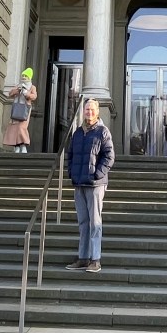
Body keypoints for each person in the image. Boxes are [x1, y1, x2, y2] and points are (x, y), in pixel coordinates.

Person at [65, 98, 114, 273]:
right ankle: (83, 257)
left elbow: (109, 156)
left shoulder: (103, 131)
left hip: (95, 184)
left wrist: (97, 175)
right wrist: (71, 172)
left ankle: (96, 259)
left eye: (92, 109)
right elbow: (70, 155)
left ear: (98, 111)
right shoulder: (78, 132)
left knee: (95, 222)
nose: (89, 112)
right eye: (87, 109)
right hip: (79, 183)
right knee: (83, 223)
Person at [2, 67, 38, 153]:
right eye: (23, 75)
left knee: (22, 127)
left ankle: (23, 145)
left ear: (29, 77)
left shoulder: (32, 87)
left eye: (25, 76)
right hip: (16, 108)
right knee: (14, 128)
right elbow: (10, 94)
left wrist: (26, 93)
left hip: (25, 109)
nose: (24, 77)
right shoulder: (18, 85)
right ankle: (17, 145)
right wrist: (17, 90)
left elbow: (34, 96)